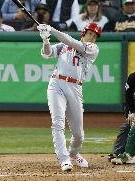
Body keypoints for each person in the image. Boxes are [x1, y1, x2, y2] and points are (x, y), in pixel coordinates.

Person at [37, 22, 101, 171]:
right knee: (58, 123)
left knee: (78, 134)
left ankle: (74, 153)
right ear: (84, 32)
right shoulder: (62, 46)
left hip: (75, 87)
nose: (91, 37)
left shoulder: (93, 49)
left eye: (94, 36)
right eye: (90, 33)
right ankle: (64, 159)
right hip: (56, 84)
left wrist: (51, 30)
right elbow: (47, 54)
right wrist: (46, 39)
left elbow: (71, 41)